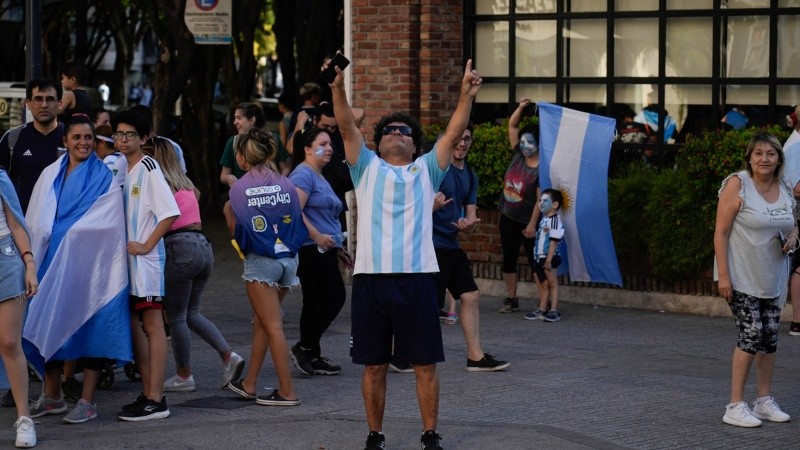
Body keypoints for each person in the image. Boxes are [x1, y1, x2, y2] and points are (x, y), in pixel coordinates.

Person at [330, 54, 481, 450]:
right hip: (370, 281)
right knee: (374, 364)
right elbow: (346, 125)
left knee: (425, 364)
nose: (397, 132)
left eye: (405, 131)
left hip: (417, 279)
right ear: (377, 143)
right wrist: (336, 87)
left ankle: (430, 434)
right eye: (389, 130)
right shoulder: (365, 166)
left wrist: (466, 95)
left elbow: (452, 133)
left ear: (415, 146)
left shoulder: (427, 170)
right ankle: (375, 436)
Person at [24, 114, 132, 425]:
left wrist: (72, 236)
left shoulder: (104, 178)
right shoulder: (50, 174)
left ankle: (87, 401)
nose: (83, 143)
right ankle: (53, 396)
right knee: (45, 320)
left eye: (88, 138)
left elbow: (109, 223)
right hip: (50, 264)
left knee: (93, 328)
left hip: (91, 268)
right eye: (77, 138)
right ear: (66, 142)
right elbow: (37, 218)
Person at [143, 136, 245, 393]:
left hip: (179, 247)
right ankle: (228, 356)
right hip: (203, 246)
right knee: (191, 313)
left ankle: (184, 374)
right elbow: (196, 199)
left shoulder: (160, 184)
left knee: (176, 316)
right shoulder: (185, 184)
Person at [714, 132, 795, 428]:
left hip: (773, 276)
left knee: (769, 339)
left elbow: (793, 221)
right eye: (759, 153)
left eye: (771, 154)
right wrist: (724, 276)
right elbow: (720, 232)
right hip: (741, 276)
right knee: (751, 336)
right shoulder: (738, 184)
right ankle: (734, 405)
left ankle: (763, 401)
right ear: (750, 157)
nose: (765, 159)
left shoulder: (784, 184)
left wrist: (795, 237)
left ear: (778, 159)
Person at [223, 128, 304, 406]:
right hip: (289, 260)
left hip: (261, 261)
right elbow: (295, 219)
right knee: (263, 322)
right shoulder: (286, 183)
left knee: (272, 325)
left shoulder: (239, 189)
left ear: (243, 159)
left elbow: (240, 232)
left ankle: (287, 391)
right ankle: (250, 384)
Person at [112, 109, 180, 421]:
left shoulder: (149, 168)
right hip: (129, 265)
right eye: (119, 134)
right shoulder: (122, 169)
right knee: (139, 327)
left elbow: (169, 213)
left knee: (154, 328)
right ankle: (148, 393)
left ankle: (157, 399)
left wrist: (147, 245)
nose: (123, 139)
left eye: (130, 134)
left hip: (147, 263)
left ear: (144, 138)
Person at [431, 124, 509, 372]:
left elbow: (471, 217)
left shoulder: (470, 175)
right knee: (427, 304)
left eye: (468, 139)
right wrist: (431, 207)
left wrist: (468, 226)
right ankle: (398, 353)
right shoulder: (436, 170)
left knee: (471, 296)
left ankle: (475, 356)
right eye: (459, 138)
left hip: (451, 245)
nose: (463, 143)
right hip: (429, 245)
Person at [287, 127, 350, 377]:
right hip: (310, 249)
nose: (330, 148)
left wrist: (339, 248)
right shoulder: (303, 175)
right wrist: (317, 236)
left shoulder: (318, 174)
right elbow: (294, 211)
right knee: (335, 297)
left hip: (324, 248)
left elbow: (326, 217)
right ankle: (303, 347)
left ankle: (312, 355)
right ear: (307, 148)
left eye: (331, 144)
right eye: (323, 143)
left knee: (313, 302)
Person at [0, 168, 38, 447]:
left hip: (6, 259)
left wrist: (30, 264)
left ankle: (24, 418)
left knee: (10, 342)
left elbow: (16, 224)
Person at [498, 98, 542, 313]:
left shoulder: (541, 169)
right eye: (523, 142)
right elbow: (512, 126)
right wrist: (522, 107)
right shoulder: (517, 154)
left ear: (540, 144)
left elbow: (540, 201)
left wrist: (532, 225)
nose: (525, 146)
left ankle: (544, 302)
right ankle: (511, 298)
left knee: (536, 262)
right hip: (508, 217)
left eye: (530, 143)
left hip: (529, 222)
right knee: (509, 257)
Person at [0, 78, 66, 213]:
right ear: (28, 104)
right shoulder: (12, 138)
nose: (44, 105)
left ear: (60, 104)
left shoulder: (73, 138)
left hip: (62, 224)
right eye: (38, 99)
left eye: (50, 99)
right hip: (22, 225)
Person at [219, 102, 290, 188]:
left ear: (252, 120)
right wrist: (228, 178)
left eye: (239, 118)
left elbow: (285, 168)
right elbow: (223, 175)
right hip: (243, 194)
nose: (235, 122)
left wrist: (278, 183)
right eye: (235, 118)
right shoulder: (233, 142)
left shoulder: (272, 139)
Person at [524, 189, 565, 322]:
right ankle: (542, 309)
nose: (541, 203)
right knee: (544, 284)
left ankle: (554, 310)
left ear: (555, 205)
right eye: (540, 200)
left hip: (548, 258)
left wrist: (548, 260)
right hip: (539, 257)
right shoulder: (544, 220)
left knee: (552, 283)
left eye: (545, 200)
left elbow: (553, 241)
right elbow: (543, 238)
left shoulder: (554, 221)